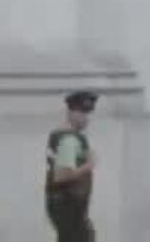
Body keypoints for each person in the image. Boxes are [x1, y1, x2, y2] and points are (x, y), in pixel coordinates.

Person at [43, 90, 99, 241]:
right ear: (71, 112)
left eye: (87, 114)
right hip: (69, 205)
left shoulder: (61, 135)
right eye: (82, 113)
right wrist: (88, 165)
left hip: (66, 206)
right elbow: (61, 175)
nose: (86, 119)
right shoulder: (69, 139)